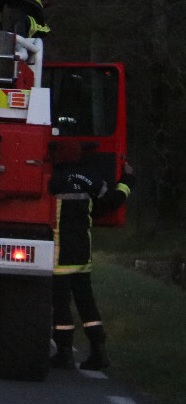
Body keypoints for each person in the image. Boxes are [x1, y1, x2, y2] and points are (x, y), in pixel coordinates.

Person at [49, 152, 132, 370]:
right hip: (82, 254)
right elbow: (111, 201)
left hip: (59, 255)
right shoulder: (90, 177)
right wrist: (127, 182)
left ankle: (64, 353)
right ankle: (99, 353)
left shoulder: (51, 178)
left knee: (61, 306)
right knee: (87, 304)